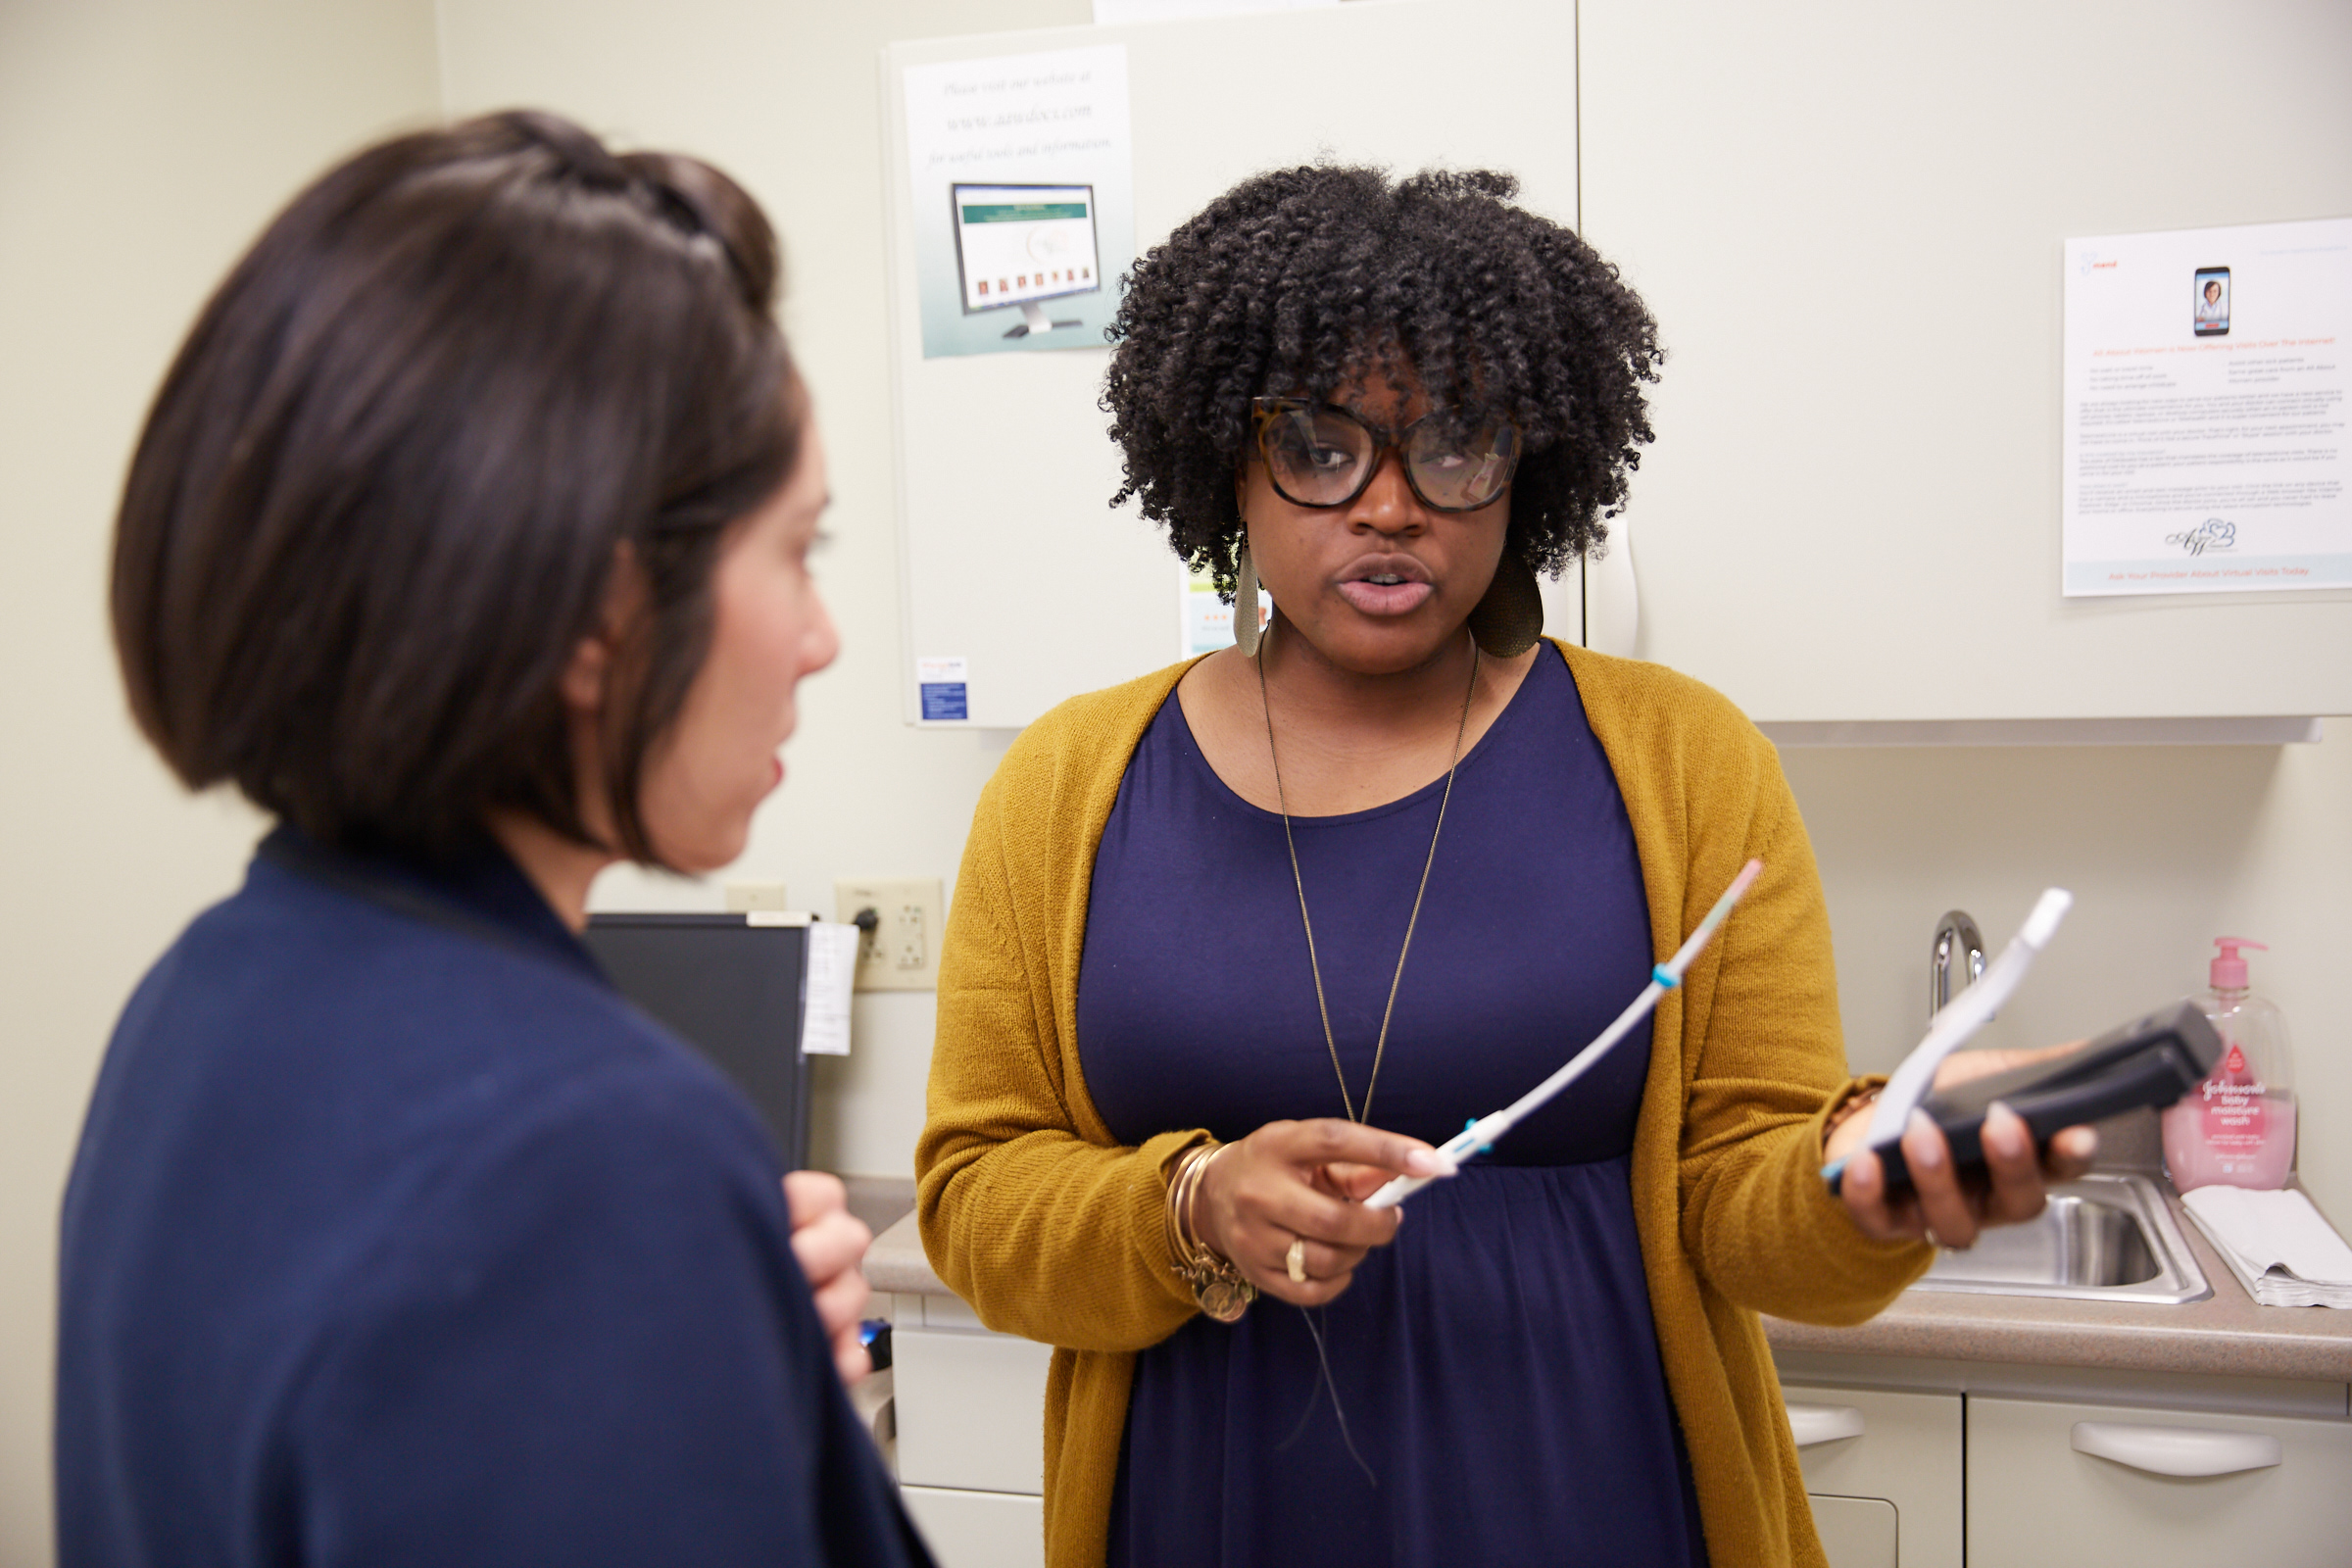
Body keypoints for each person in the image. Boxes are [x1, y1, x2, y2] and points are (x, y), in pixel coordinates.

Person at [916, 166, 2095, 1568]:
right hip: (1208, 1504)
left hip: (1594, 1491)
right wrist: (1191, 1207)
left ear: (1529, 467)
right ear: (1225, 460)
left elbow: (1745, 1204)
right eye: (1319, 445)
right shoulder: (1067, 787)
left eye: (1456, 444)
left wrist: (1872, 1175)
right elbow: (971, 1199)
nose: (1392, 505)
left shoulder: (1685, 763)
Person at [58, 112, 930, 1568]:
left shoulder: (210, 990)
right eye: (800, 550)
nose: (822, 637)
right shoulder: (583, 1152)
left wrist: (720, 1371)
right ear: (602, 619)